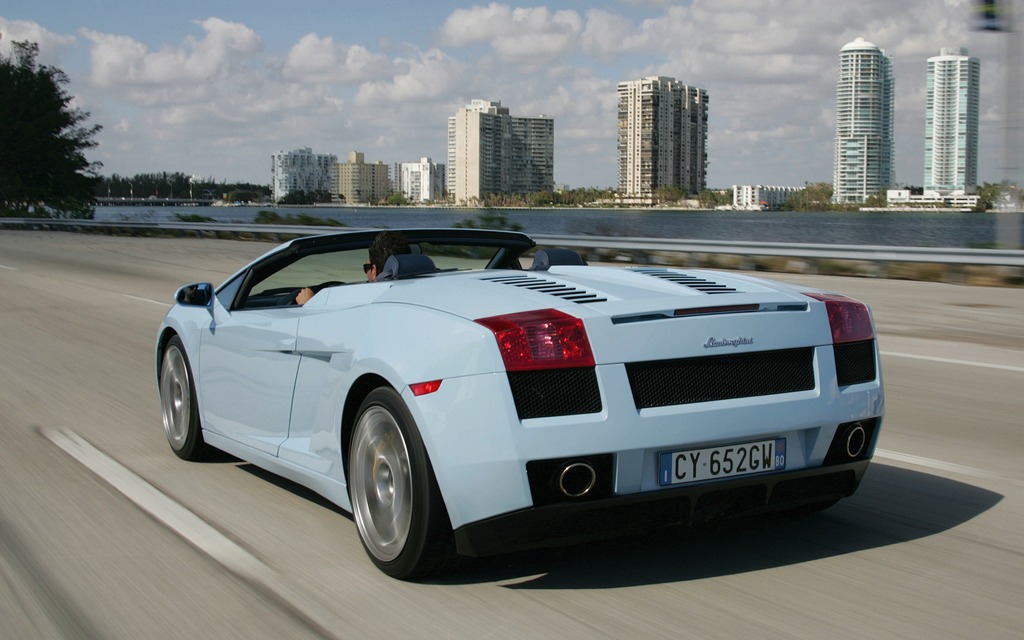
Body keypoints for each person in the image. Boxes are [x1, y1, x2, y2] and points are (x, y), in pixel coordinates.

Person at [295, 230, 410, 304]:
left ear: (374, 271)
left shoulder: (375, 304)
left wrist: (309, 304)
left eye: (366, 268)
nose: (366, 272)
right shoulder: (412, 293)